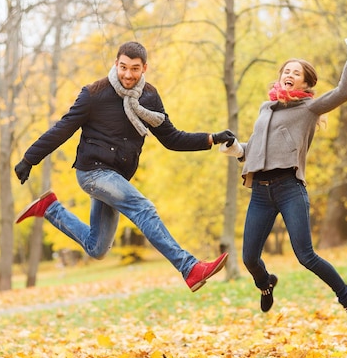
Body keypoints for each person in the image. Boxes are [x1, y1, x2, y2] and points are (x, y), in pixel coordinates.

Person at [14, 41, 235, 292]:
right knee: (143, 208)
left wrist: (211, 138)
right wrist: (29, 159)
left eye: (135, 69)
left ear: (144, 68)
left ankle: (50, 208)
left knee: (97, 248)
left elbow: (172, 139)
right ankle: (190, 268)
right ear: (115, 64)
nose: (128, 74)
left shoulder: (149, 98)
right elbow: (62, 128)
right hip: (93, 173)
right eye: (123, 67)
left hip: (117, 177)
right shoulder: (94, 94)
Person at [220, 30, 347, 335]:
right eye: (286, 71)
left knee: (306, 255)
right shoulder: (266, 108)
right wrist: (238, 149)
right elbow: (258, 149)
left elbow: (344, 92)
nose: (289, 75)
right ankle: (266, 284)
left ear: (305, 83)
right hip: (261, 193)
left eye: (296, 73)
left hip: (289, 189)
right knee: (250, 256)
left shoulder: (308, 109)